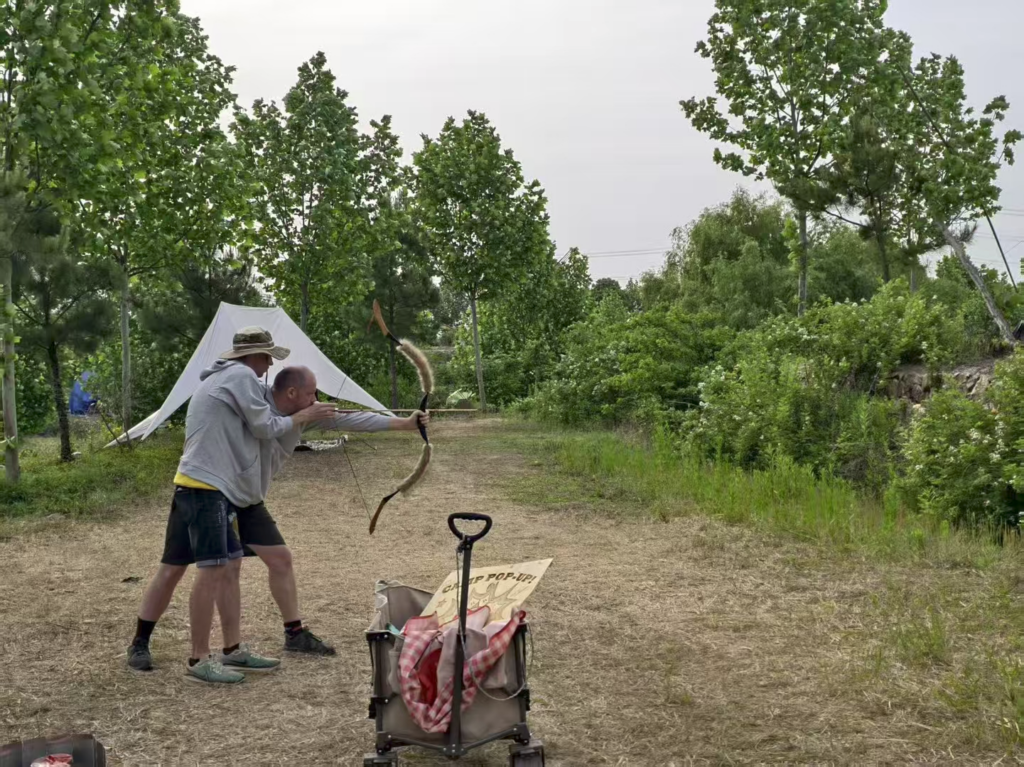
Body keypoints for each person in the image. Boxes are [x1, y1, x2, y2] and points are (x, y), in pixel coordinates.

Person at [126, 326, 428, 683]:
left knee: (272, 559)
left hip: (238, 493)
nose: (269, 362)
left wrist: (405, 425)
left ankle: (262, 642)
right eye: (266, 355)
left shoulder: (261, 395)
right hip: (205, 486)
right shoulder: (238, 376)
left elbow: (346, 418)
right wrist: (300, 417)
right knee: (194, 568)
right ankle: (179, 654)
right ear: (292, 392)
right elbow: (264, 425)